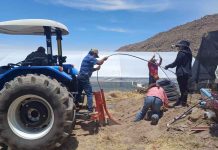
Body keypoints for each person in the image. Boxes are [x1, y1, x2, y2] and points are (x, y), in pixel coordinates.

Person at [165, 40, 192, 107]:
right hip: (187, 73)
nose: (179, 47)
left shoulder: (181, 53)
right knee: (185, 88)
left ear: (182, 47)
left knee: (182, 89)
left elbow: (175, 63)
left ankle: (182, 103)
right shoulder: (189, 53)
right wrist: (175, 45)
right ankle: (181, 102)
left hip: (181, 73)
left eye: (180, 46)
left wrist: (167, 66)